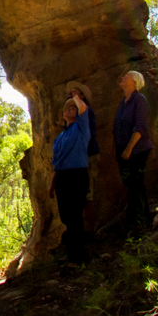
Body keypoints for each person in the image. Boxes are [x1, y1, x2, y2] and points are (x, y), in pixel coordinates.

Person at [49, 93, 90, 264]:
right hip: (62, 178)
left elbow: (82, 108)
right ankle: (72, 254)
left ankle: (79, 256)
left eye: (73, 108)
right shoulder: (61, 136)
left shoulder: (81, 128)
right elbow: (57, 161)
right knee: (66, 216)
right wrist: (53, 183)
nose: (70, 110)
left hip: (77, 175)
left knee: (75, 214)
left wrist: (75, 97)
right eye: (67, 108)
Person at [113, 70, 153, 230]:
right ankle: (135, 220)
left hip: (138, 150)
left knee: (137, 184)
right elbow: (116, 128)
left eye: (127, 76)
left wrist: (129, 149)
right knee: (130, 184)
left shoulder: (139, 99)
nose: (123, 77)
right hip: (124, 152)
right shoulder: (123, 103)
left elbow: (140, 126)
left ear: (135, 82)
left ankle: (144, 220)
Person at [66, 80, 100, 229]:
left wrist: (75, 99)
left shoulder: (86, 111)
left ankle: (91, 231)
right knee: (82, 196)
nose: (71, 93)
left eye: (74, 91)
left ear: (82, 95)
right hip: (80, 161)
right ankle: (84, 230)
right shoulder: (79, 116)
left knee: (89, 195)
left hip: (89, 157)